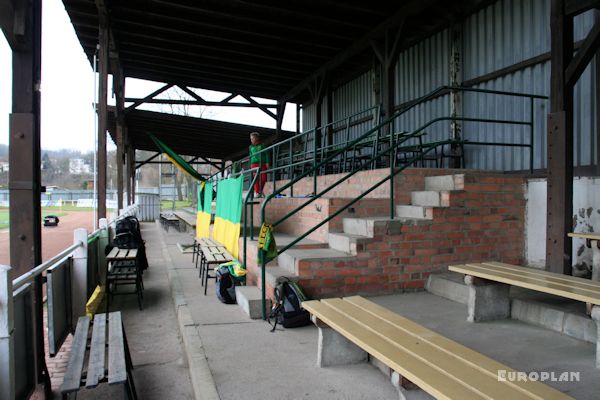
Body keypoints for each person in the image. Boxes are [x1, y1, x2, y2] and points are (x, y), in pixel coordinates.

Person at [249, 132, 270, 197]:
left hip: (262, 163)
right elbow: (250, 155)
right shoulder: (250, 147)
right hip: (254, 164)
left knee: (264, 178)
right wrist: (250, 164)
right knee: (256, 179)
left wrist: (267, 162)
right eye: (251, 138)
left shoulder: (262, 145)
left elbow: (267, 154)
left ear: (257, 138)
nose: (251, 140)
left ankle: (260, 191)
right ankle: (257, 192)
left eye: (253, 138)